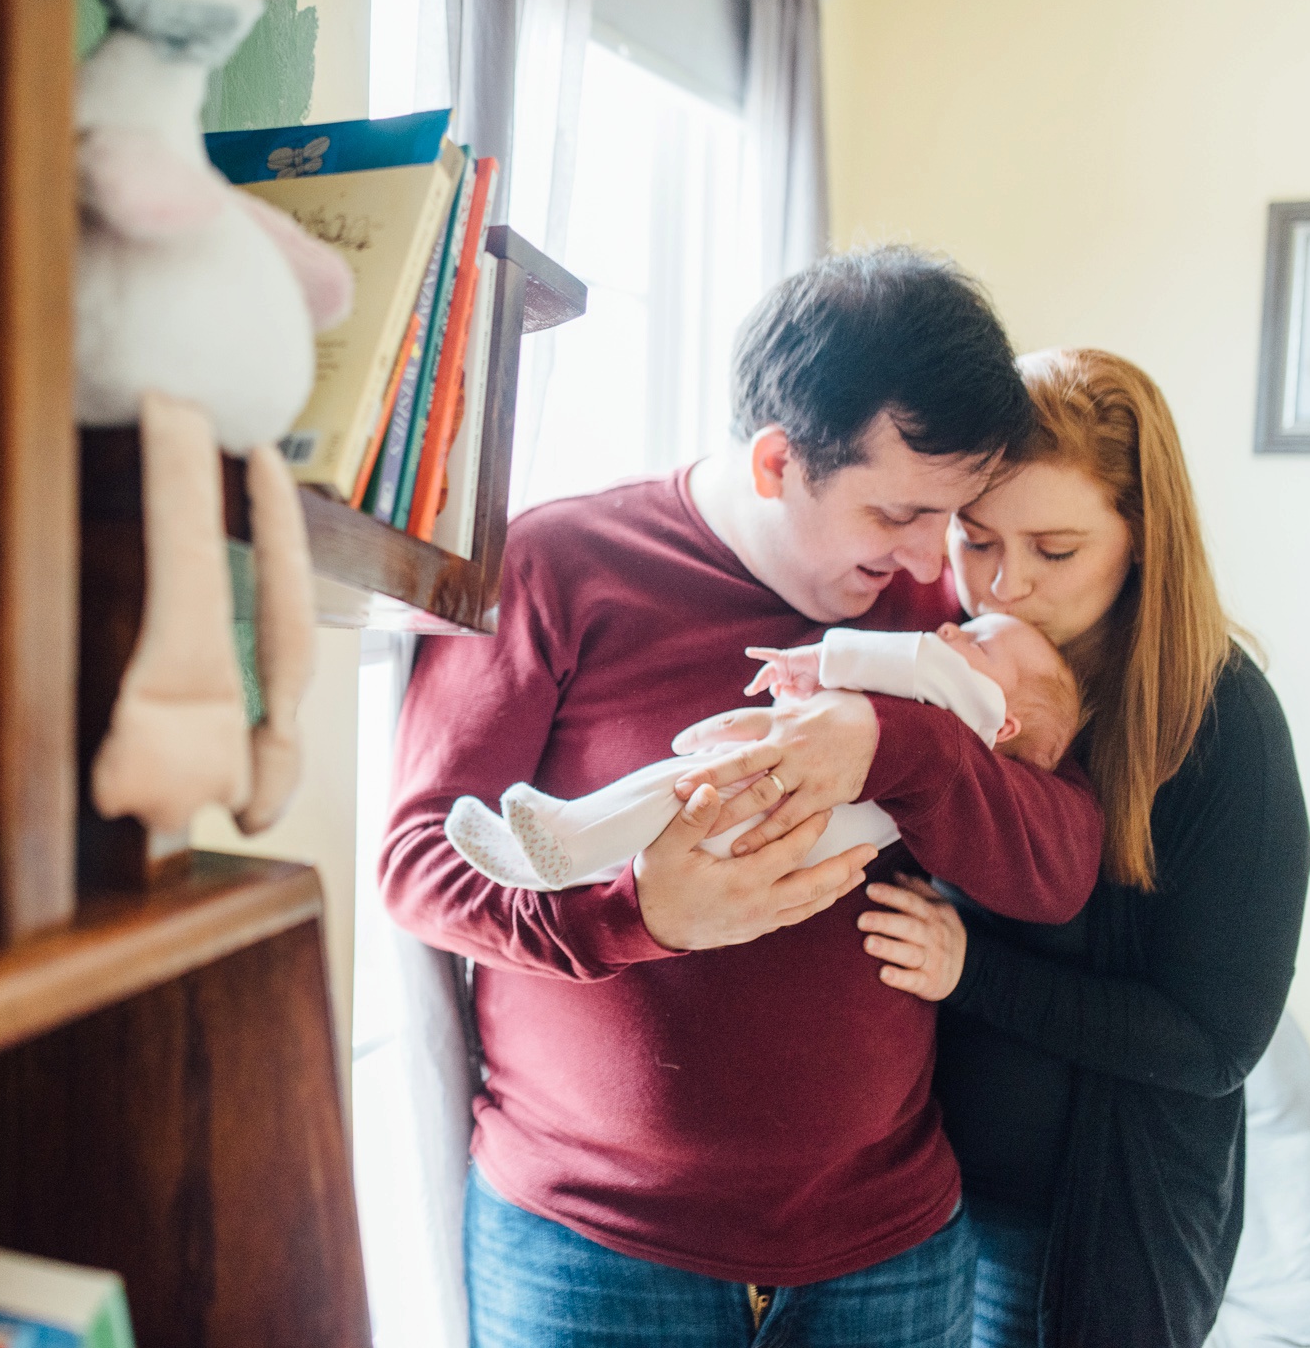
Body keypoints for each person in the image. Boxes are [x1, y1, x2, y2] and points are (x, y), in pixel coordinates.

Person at [380, 247, 1105, 1348]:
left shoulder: (940, 624)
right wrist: (635, 914)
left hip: (886, 1248)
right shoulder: (557, 565)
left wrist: (893, 738)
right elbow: (421, 862)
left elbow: (1056, 864)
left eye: (947, 517)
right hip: (588, 1246)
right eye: (897, 513)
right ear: (775, 462)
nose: (936, 561)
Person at [849, 348, 1310, 1348]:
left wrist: (970, 969)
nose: (1002, 585)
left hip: (1085, 1230)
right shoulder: (946, 660)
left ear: (1139, 536)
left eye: (1053, 549)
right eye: (974, 541)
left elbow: (1213, 1042)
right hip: (908, 1199)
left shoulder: (1222, 722)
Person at [445, 613, 1079, 891]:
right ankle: (552, 859)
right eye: (967, 627)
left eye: (978, 642)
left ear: (1007, 726)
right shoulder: (953, 717)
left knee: (681, 791)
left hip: (783, 815)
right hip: (785, 818)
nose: (949, 631)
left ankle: (567, 839)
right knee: (666, 810)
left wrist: (818, 659)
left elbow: (917, 662)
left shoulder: (976, 715)